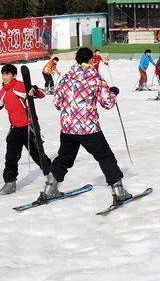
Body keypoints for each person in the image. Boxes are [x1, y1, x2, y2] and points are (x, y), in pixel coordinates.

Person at [43, 47, 131, 206]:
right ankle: (118, 191)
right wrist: (114, 92)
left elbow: (56, 102)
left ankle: (49, 189)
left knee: (64, 157)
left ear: (77, 59)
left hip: (68, 127)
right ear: (91, 60)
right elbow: (108, 103)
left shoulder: (66, 77)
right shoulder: (95, 78)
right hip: (88, 128)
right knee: (105, 157)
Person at [0, 63, 51, 195]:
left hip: (28, 128)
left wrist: (34, 90)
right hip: (15, 129)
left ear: (13, 75)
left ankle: (51, 174)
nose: (5, 76)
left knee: (38, 155)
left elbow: (41, 94)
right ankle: (10, 182)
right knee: (11, 157)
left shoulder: (19, 86)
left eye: (7, 74)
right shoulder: (4, 90)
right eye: (3, 74)